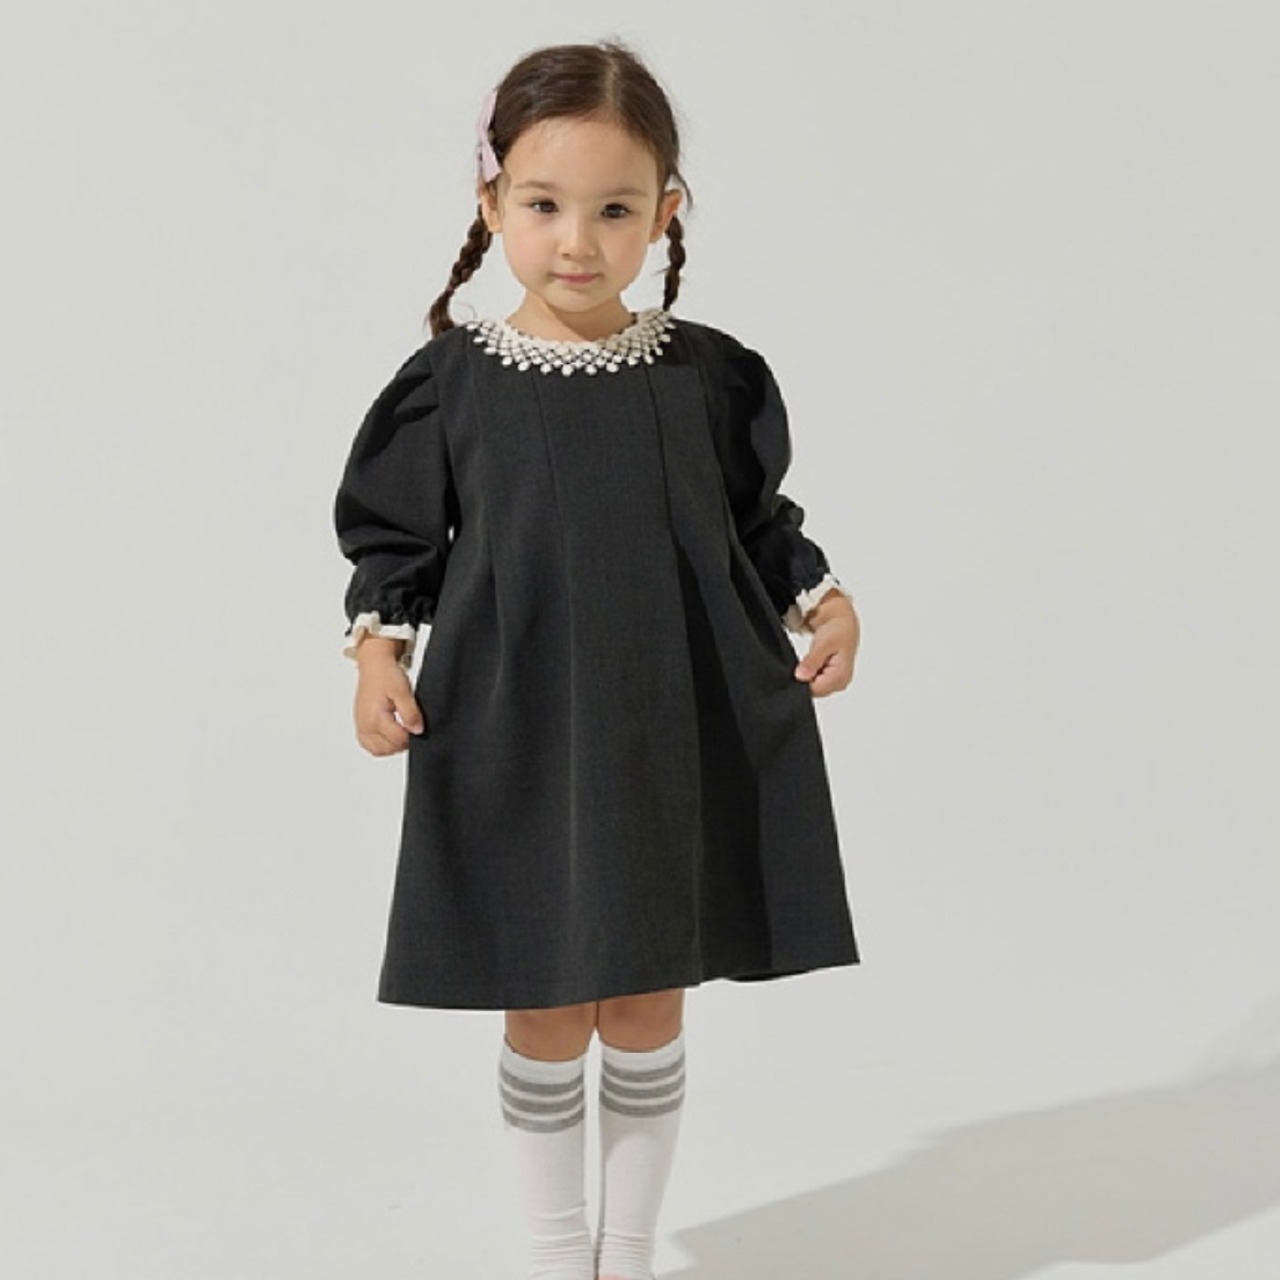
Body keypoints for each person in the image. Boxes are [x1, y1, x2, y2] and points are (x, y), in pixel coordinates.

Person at [333, 37, 863, 1280]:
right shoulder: (451, 385)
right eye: (543, 205)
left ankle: (624, 1252)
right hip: (514, 726)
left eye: (614, 210)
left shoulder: (705, 377)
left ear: (664, 213)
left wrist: (824, 603)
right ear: (491, 205)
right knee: (544, 994)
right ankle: (551, 1249)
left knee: (643, 994)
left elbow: (756, 525)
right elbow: (395, 541)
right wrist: (376, 655)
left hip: (669, 724)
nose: (577, 240)